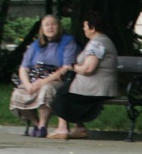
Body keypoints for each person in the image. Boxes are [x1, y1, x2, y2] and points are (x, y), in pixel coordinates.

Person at [48, 11, 118, 140]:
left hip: (96, 88)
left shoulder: (97, 44)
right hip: (98, 86)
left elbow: (88, 69)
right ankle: (79, 128)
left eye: (85, 26)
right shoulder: (101, 41)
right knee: (66, 90)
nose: (84, 29)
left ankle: (62, 129)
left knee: (62, 94)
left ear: (93, 28)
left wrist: (72, 67)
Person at [10, 15, 77, 138]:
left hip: (57, 79)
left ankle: (42, 126)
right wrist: (27, 84)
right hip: (34, 79)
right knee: (18, 94)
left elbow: (67, 67)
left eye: (53, 24)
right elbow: (23, 68)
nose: (50, 27)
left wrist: (43, 82)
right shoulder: (35, 45)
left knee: (46, 90)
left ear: (59, 26)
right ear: (42, 28)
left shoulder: (68, 42)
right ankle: (37, 124)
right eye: (47, 25)